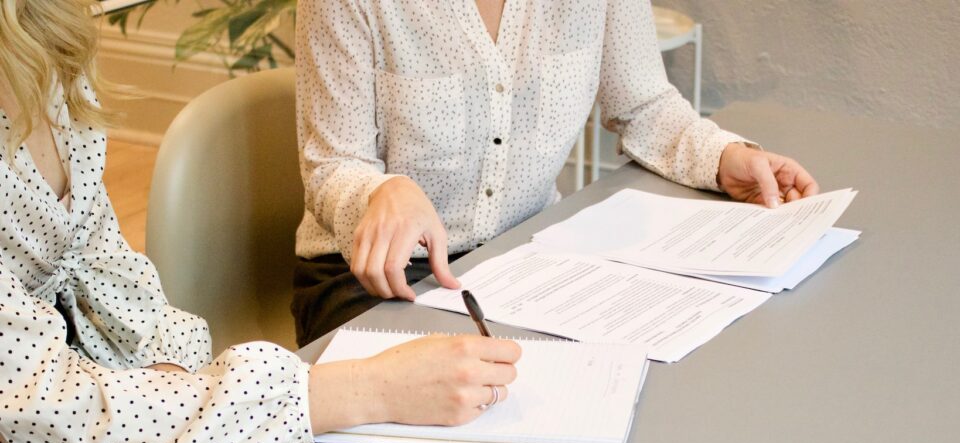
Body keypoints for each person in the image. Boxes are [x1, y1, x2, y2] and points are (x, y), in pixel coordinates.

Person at [0, 0, 521, 443]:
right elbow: (46, 405)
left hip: (105, 412)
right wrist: (370, 389)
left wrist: (180, 378)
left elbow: (107, 274)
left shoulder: (44, 41)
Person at [292, 0, 820, 345]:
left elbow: (643, 104)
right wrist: (381, 192)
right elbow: (332, 165)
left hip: (523, 260)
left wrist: (725, 157)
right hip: (373, 278)